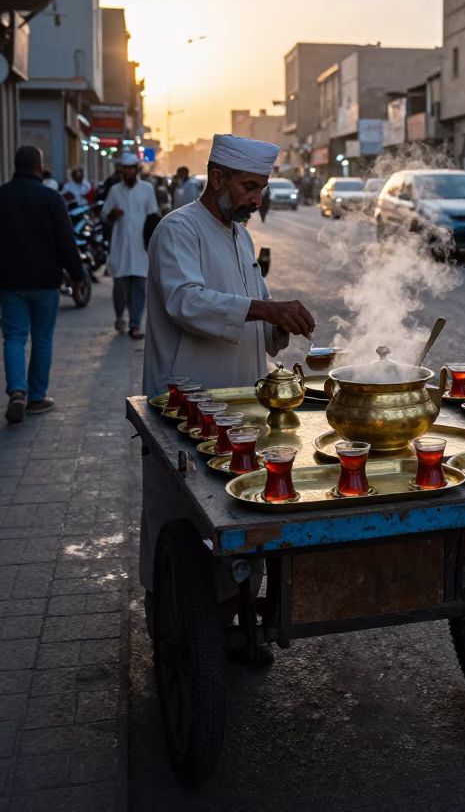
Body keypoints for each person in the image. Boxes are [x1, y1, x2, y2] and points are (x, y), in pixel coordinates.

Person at [141, 135, 316, 630]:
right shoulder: (177, 230)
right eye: (248, 187)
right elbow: (186, 302)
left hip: (242, 407)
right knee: (182, 520)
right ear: (217, 179)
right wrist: (265, 307)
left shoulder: (239, 236)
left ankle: (238, 623)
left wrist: (279, 323)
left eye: (260, 188)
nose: (257, 199)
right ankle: (175, 628)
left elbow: (254, 320)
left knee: (242, 513)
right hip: (188, 404)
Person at [0, 145, 85, 423]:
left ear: (15, 166)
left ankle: (17, 391)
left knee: (13, 337)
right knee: (42, 338)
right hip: (45, 282)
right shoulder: (51, 198)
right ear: (40, 167)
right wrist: (77, 275)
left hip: (10, 282)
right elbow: (66, 241)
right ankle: (37, 397)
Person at [105, 153, 160, 338]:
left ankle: (135, 324)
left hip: (140, 247)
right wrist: (113, 214)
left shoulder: (147, 189)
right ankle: (120, 316)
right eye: (125, 170)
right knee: (120, 288)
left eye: (131, 169)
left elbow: (153, 216)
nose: (128, 173)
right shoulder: (114, 191)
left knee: (138, 287)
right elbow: (105, 215)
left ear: (136, 170)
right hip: (120, 247)